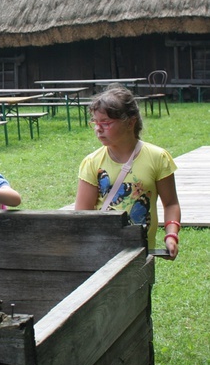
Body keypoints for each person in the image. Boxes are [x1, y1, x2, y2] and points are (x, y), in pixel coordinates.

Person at [74, 84, 181, 259]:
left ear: (130, 122)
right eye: (95, 122)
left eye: (106, 123)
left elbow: (171, 204)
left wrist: (171, 235)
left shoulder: (158, 157)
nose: (98, 129)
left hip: (141, 252)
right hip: (103, 252)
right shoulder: (91, 162)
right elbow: (82, 215)